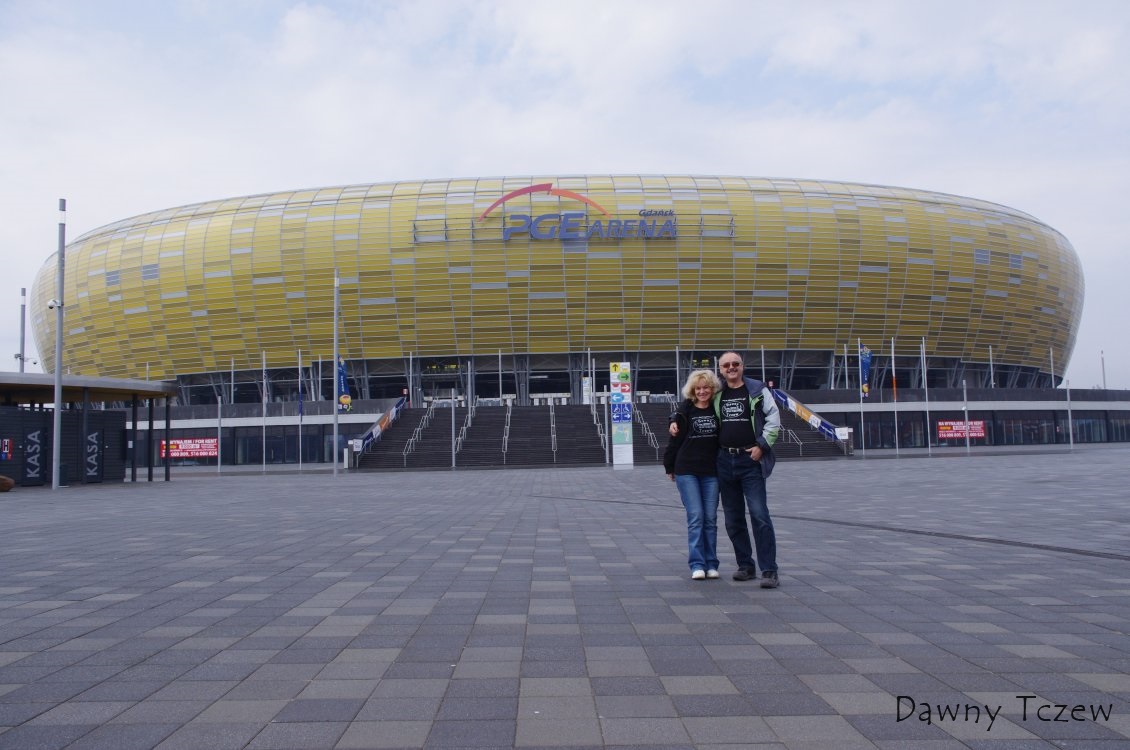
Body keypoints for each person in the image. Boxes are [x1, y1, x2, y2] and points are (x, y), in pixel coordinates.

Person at [675, 352, 782, 587]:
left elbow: (774, 418)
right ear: (720, 369)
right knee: (733, 519)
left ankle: (769, 570)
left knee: (759, 515)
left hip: (750, 460)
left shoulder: (756, 390)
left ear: (742, 366)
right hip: (724, 460)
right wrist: (674, 418)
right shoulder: (717, 392)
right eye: (726, 365)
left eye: (735, 364)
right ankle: (745, 565)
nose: (731, 368)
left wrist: (762, 446)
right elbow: (692, 399)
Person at [663, 370, 723, 580]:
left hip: (711, 472)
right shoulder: (684, 412)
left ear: (712, 388)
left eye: (706, 387)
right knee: (696, 516)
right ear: (692, 391)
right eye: (698, 388)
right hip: (687, 470)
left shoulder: (718, 409)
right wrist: (669, 467)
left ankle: (711, 563)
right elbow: (674, 442)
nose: (702, 391)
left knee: (710, 519)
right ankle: (697, 564)